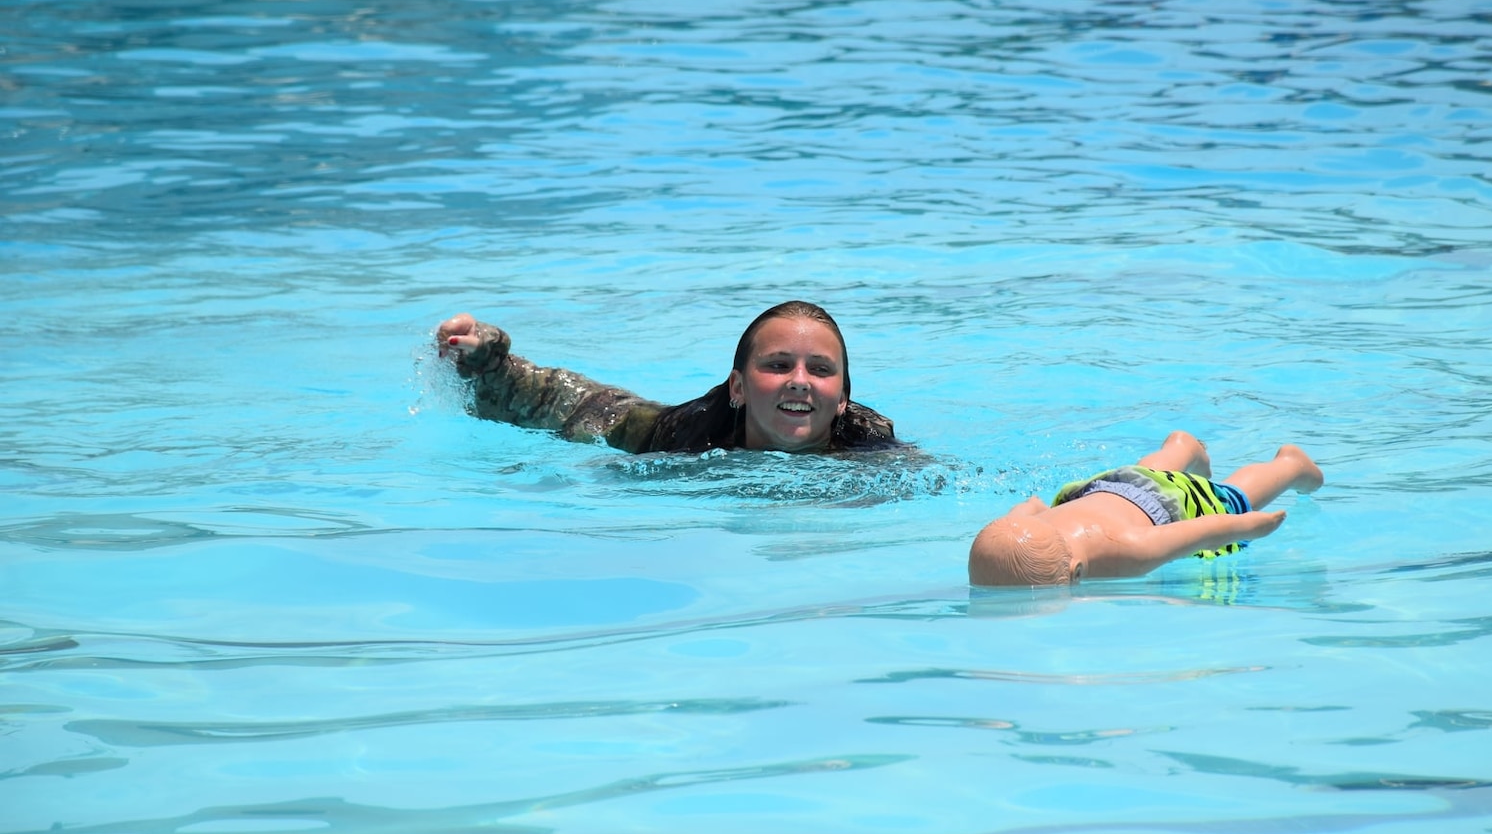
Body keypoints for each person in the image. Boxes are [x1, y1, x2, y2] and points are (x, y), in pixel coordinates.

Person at [435, 300, 904, 455]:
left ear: (842, 398)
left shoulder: (879, 461)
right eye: (778, 365)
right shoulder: (682, 437)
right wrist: (488, 360)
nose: (799, 380)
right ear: (737, 387)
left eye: (820, 370)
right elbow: (574, 405)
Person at [968, 431, 1323, 587]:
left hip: (1167, 506)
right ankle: (1182, 448)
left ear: (1076, 574)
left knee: (1231, 495)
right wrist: (1035, 509)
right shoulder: (1029, 530)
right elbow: (1026, 509)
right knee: (1151, 472)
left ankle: (1289, 465)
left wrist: (1250, 526)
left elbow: (1195, 533)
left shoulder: (1128, 553)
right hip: (1101, 487)